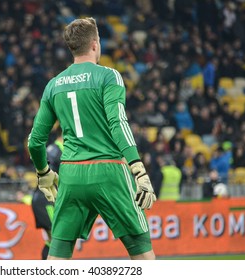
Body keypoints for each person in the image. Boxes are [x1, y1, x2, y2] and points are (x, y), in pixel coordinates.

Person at [27, 17, 156, 260]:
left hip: (71, 175)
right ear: (95, 44)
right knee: (142, 253)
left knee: (57, 257)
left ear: (72, 47)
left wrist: (44, 173)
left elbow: (34, 141)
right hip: (110, 172)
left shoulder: (53, 85)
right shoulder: (109, 77)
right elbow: (118, 123)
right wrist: (138, 169)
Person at [31, 129, 63, 260]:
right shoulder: (55, 151)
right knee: (58, 238)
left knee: (53, 239)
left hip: (47, 199)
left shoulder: (60, 150)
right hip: (45, 200)